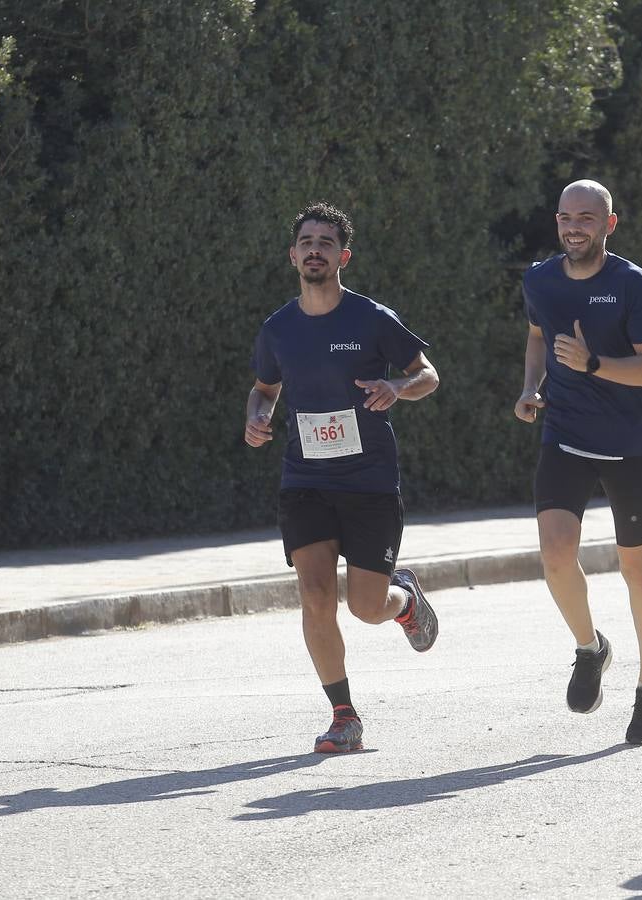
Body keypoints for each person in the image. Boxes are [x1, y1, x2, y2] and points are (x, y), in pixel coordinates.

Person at [245, 201, 441, 754]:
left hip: (369, 480)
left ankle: (404, 601)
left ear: (342, 255)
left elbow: (426, 374)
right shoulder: (278, 329)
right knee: (313, 594)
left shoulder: (371, 318)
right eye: (305, 241)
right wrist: (257, 416)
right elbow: (265, 388)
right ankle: (343, 715)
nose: (314, 249)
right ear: (292, 255)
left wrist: (398, 389)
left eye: (325, 242)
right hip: (304, 478)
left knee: (364, 607)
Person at [514, 179, 642, 745]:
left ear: (610, 223)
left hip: (631, 442)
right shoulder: (540, 280)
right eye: (565, 217)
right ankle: (591, 647)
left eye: (586, 217)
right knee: (555, 557)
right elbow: (538, 336)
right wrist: (532, 387)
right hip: (565, 434)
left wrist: (592, 363)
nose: (573, 227)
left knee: (640, 572)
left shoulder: (631, 284)